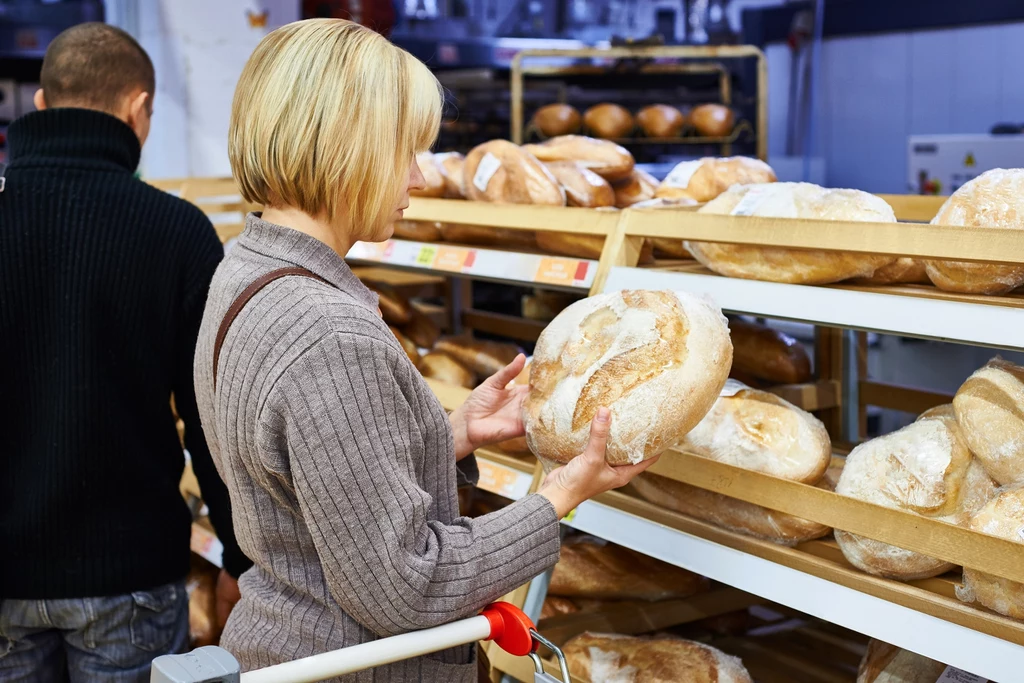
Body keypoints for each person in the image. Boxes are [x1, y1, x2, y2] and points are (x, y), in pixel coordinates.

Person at [194, 18, 658, 681]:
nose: (415, 176)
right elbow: (407, 585)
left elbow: (306, 481)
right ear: (345, 148)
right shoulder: (330, 333)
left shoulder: (244, 271)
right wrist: (556, 496)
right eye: (404, 149)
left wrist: (447, 435)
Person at [0, 22, 251, 682]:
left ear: (43, 106)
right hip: (129, 574)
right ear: (140, 108)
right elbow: (211, 418)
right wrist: (238, 557)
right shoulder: (177, 232)